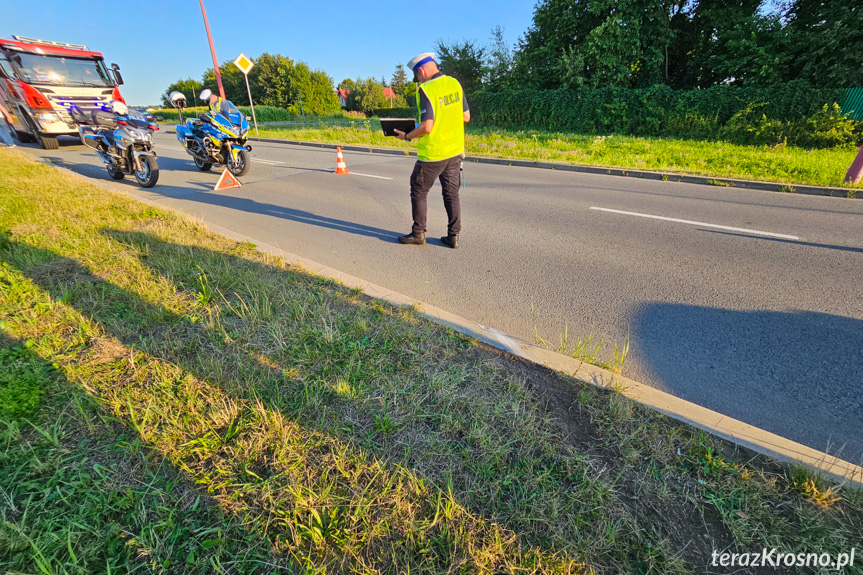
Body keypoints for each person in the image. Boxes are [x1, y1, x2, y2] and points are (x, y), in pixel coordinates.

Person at [392, 52, 470, 249]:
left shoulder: (426, 89)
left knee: (418, 190)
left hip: (433, 153)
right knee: (451, 194)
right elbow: (466, 116)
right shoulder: (454, 83)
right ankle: (453, 236)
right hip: (454, 151)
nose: (418, 81)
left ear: (421, 71)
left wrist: (407, 135)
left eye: (417, 77)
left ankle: (418, 233)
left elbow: (427, 126)